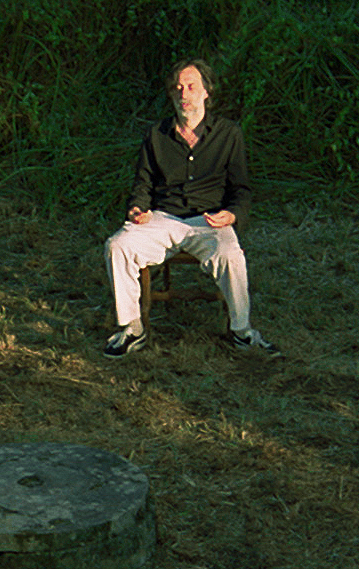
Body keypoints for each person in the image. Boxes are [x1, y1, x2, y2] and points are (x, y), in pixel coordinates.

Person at [102, 61, 274, 358]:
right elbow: (142, 183)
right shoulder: (157, 135)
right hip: (163, 218)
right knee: (118, 245)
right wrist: (137, 209)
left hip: (209, 219)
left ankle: (242, 331)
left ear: (206, 91)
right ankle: (132, 329)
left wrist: (232, 215)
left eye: (192, 86)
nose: (184, 94)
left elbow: (241, 189)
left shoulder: (228, 134)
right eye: (178, 87)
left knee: (231, 255)